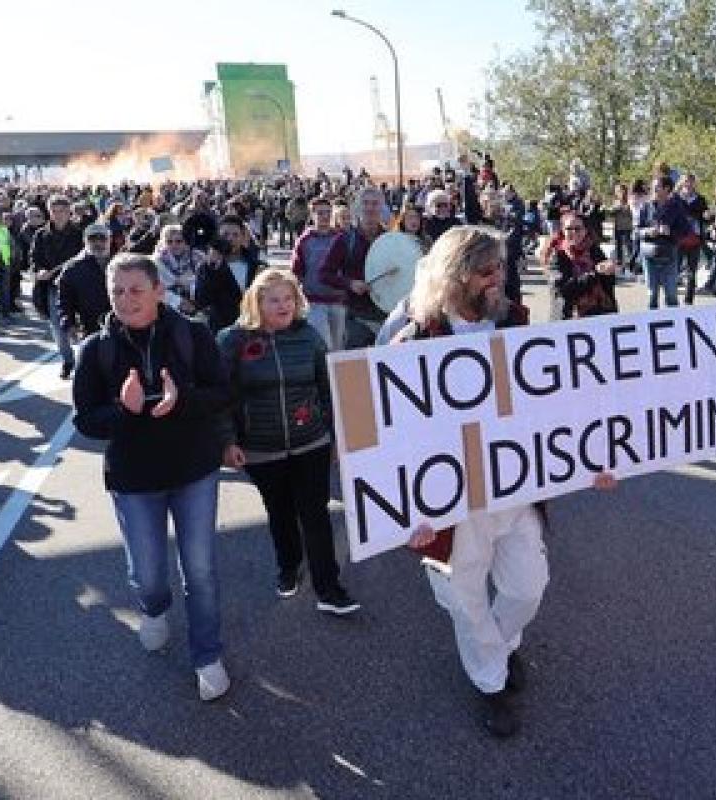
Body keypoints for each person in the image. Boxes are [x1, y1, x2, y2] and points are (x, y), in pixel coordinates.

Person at [397, 226, 615, 738]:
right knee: (465, 600)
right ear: (455, 277)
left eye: (500, 268)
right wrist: (410, 512)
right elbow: (394, 437)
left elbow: (555, 405)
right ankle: (490, 683)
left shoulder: (517, 324)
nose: (499, 279)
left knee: (526, 588)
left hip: (516, 490)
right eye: (485, 271)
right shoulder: (414, 338)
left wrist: (592, 459)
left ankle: (498, 649)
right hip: (453, 501)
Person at [71, 254, 231, 702]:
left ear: (159, 290)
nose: (126, 300)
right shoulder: (96, 349)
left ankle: (207, 655)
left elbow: (222, 393)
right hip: (134, 479)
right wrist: (125, 410)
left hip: (193, 470)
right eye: (117, 291)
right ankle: (153, 609)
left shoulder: (192, 335)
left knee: (199, 570)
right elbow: (85, 419)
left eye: (136, 290)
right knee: (148, 574)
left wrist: (182, 401)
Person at [217, 269, 359, 615]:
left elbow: (328, 390)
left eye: (288, 298)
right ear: (257, 303)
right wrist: (227, 442)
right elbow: (222, 399)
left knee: (315, 514)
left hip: (311, 442)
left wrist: (336, 436)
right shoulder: (231, 341)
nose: (283, 306)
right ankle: (288, 567)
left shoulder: (309, 337)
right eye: (273, 300)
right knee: (279, 512)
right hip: (260, 448)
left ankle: (329, 589)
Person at [324, 189, 386, 349]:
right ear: (357, 207)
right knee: (357, 370)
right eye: (366, 203)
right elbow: (325, 274)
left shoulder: (391, 239)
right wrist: (349, 283)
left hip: (387, 317)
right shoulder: (344, 240)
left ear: (382, 207)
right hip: (356, 318)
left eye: (375, 204)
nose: (370, 208)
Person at [31, 195, 83, 378]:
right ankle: (67, 361)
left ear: (70, 212)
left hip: (78, 285)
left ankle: (86, 359)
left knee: (84, 324)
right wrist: (40, 271)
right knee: (58, 326)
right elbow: (34, 259)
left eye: (63, 211)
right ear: (49, 212)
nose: (59, 215)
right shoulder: (40, 235)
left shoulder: (80, 233)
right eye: (55, 211)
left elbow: (87, 256)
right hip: (54, 287)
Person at [289, 196, 347, 350]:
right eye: (320, 213)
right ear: (312, 215)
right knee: (323, 344)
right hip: (314, 302)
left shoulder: (342, 237)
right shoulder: (304, 240)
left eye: (328, 212)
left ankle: (335, 374)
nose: (325, 216)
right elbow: (296, 271)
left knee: (338, 347)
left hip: (338, 300)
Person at [195, 219, 265, 334]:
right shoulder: (207, 267)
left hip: (253, 328)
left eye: (235, 235)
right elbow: (202, 300)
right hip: (221, 329)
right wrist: (214, 269)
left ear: (243, 238)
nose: (230, 239)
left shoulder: (256, 265)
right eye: (225, 235)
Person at [550, 210, 617, 319]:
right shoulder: (557, 255)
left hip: (601, 313)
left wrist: (609, 271)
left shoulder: (594, 250)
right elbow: (564, 290)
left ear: (585, 230)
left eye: (578, 228)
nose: (574, 232)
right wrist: (594, 273)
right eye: (569, 229)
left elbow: (608, 285)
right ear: (563, 230)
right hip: (570, 317)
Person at [58, 223, 114, 351]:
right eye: (93, 239)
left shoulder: (119, 264)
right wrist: (69, 324)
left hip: (119, 325)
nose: (98, 243)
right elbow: (64, 300)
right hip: (88, 327)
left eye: (102, 238)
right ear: (85, 241)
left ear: (109, 240)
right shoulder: (73, 268)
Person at [635, 175, 690, 309]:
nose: (653, 189)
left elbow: (686, 231)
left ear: (667, 189)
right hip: (649, 255)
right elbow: (636, 231)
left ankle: (674, 326)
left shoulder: (677, 207)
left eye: (657, 186)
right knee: (651, 295)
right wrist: (648, 231)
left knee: (671, 296)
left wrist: (670, 232)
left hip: (669, 255)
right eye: (653, 186)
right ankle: (651, 325)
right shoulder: (646, 207)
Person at [675, 174, 708, 305]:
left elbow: (706, 216)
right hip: (678, 238)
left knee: (691, 271)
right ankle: (672, 299)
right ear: (682, 183)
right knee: (674, 269)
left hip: (695, 238)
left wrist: (707, 216)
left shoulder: (700, 199)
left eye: (691, 182)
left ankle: (689, 300)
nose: (688, 184)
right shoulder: (675, 198)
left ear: (694, 184)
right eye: (686, 182)